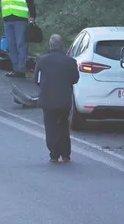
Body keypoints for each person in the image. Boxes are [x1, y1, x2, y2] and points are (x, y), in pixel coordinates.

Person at [34, 34, 79, 162]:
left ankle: (54, 153)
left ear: (50, 45)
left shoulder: (42, 60)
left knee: (51, 127)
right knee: (64, 125)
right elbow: (75, 79)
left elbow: (36, 80)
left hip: (48, 99)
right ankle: (65, 153)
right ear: (62, 46)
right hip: (64, 100)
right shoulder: (70, 62)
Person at [0, 0, 37, 78]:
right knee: (11, 46)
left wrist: (32, 16)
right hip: (7, 19)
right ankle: (16, 68)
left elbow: (30, 1)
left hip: (20, 19)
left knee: (21, 44)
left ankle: (21, 69)